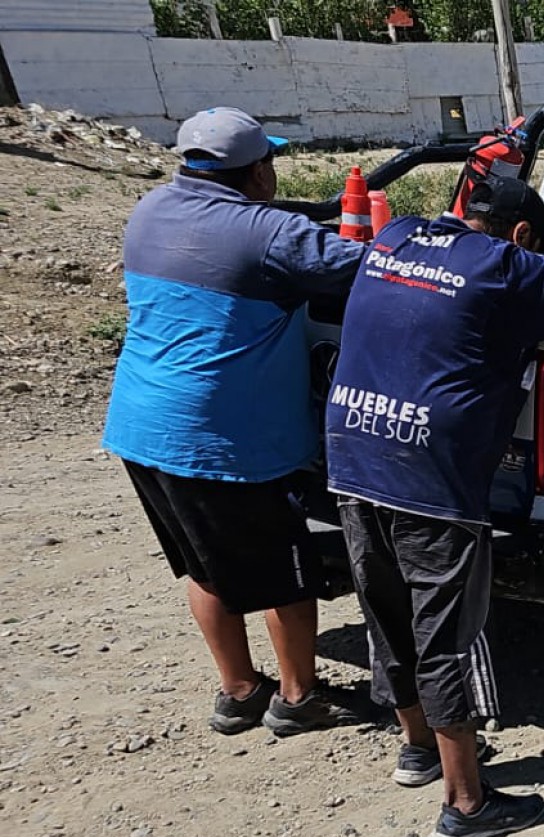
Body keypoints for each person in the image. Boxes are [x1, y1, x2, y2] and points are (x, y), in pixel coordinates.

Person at [326, 174, 544, 837]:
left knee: (387, 609)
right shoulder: (512, 266)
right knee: (448, 637)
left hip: (352, 452)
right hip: (431, 474)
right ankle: (466, 804)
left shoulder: (397, 236)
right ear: (524, 235)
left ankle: (417, 750)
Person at [103, 107, 366, 737]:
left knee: (204, 564)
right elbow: (370, 272)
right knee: (284, 572)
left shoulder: (150, 211)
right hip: (222, 438)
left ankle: (239, 689)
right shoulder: (269, 233)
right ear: (257, 172)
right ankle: (299, 699)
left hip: (141, 425)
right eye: (269, 161)